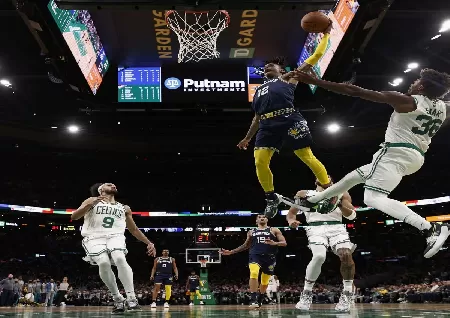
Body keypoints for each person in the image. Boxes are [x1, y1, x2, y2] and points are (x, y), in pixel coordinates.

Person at [292, 69, 450, 258]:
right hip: (416, 157)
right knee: (355, 176)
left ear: (422, 86)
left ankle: (429, 228)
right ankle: (315, 200)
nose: (413, 83)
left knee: (373, 198)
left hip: (395, 153)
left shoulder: (407, 100)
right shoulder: (444, 106)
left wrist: (315, 81)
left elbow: (355, 91)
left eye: (417, 81)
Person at [237, 22, 334, 219]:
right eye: (265, 66)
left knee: (305, 155)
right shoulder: (257, 93)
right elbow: (256, 118)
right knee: (259, 162)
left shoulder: (289, 78)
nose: (266, 67)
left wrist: (325, 36)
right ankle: (271, 198)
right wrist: (247, 138)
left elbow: (315, 57)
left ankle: (328, 190)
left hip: (289, 118)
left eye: (271, 65)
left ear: (281, 70)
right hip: (266, 124)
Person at [71, 182, 156, 314]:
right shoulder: (92, 200)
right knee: (104, 262)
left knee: (120, 258)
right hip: (94, 237)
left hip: (115, 236)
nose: (113, 185)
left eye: (114, 185)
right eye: (109, 184)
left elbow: (133, 229)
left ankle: (132, 298)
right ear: (101, 190)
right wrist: (89, 205)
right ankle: (117, 298)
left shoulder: (124, 208)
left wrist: (149, 242)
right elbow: (74, 216)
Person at [283, 177, 357, 312]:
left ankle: (347, 294)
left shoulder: (341, 192)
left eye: (326, 174)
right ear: (315, 180)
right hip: (315, 228)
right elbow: (291, 214)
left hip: (336, 227)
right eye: (319, 173)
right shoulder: (303, 194)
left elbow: (352, 216)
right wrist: (291, 222)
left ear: (331, 181)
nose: (322, 175)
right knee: (319, 257)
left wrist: (338, 203)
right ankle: (306, 294)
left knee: (346, 254)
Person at [221, 214, 287, 308]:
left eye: (264, 216)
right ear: (256, 221)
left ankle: (260, 297)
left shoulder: (274, 230)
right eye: (259, 217)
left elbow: (284, 243)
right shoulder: (251, 232)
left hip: (269, 258)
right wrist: (231, 252)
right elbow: (245, 245)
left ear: (267, 219)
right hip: (255, 255)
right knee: (254, 272)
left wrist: (275, 243)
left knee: (264, 282)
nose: (262, 218)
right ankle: (253, 299)